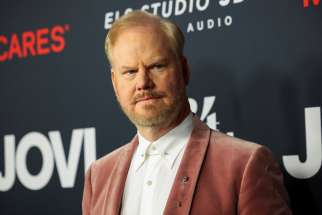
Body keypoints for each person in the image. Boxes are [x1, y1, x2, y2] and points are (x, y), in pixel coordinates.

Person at [82, 10, 291, 215]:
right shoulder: (98, 176)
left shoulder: (245, 165)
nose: (143, 83)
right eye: (130, 72)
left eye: (156, 66)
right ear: (114, 83)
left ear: (184, 70)